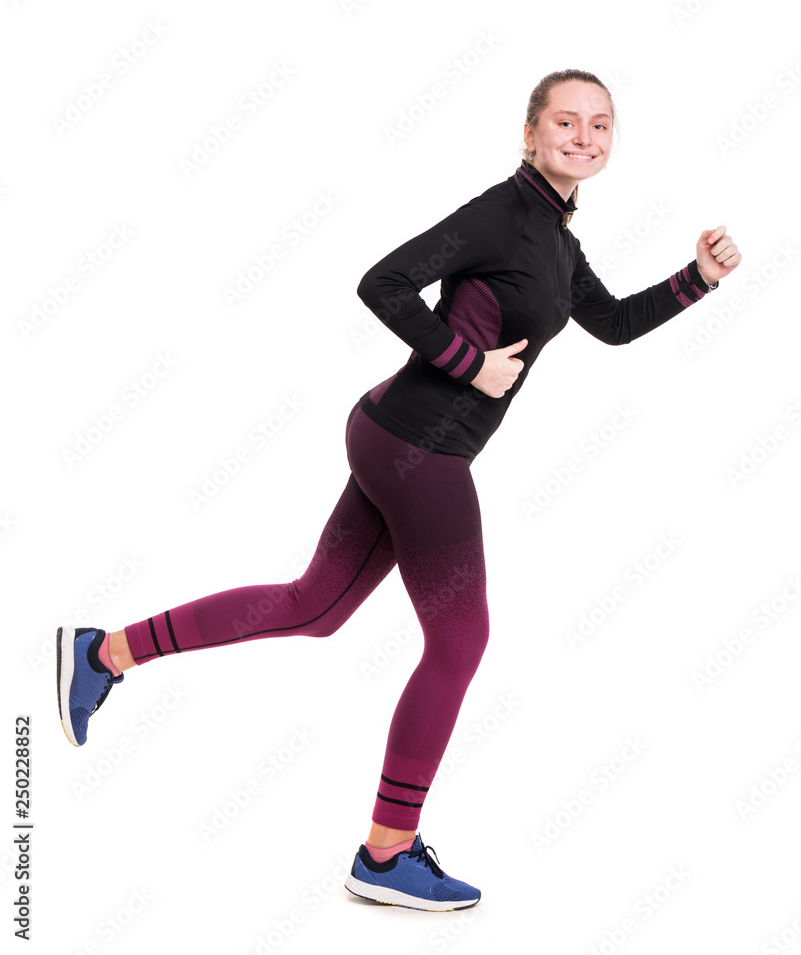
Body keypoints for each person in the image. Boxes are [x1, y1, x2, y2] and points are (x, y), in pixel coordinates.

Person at [56, 68, 741, 912]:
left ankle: (104, 653)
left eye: (600, 125)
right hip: (420, 446)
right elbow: (382, 281)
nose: (584, 137)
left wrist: (697, 278)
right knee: (459, 643)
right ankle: (386, 852)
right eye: (566, 121)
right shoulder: (500, 212)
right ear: (529, 132)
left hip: (400, 439)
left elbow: (610, 324)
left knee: (316, 606)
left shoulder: (556, 236)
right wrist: (467, 364)